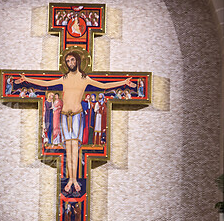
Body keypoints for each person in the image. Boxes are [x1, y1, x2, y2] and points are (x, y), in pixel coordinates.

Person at [16, 51, 135, 194]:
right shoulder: (64, 78)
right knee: (68, 149)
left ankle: (74, 179)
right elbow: (46, 83)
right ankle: (70, 179)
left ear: (78, 61)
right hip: (64, 116)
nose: (70, 63)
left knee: (75, 149)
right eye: (68, 61)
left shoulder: (85, 78)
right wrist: (27, 79)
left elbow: (103, 86)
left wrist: (123, 82)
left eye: (72, 60)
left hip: (77, 116)